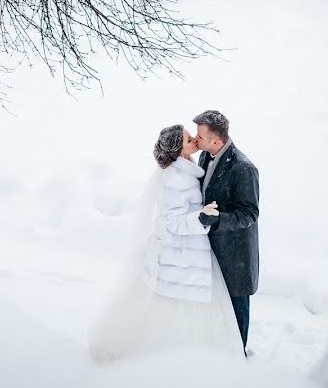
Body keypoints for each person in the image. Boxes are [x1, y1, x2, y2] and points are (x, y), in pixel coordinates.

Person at [88, 125, 243, 363]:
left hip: (188, 254)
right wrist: (201, 218)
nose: (193, 139)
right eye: (187, 139)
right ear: (178, 149)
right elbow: (174, 222)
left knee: (183, 307)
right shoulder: (175, 178)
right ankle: (165, 357)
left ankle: (183, 357)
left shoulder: (186, 170)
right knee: (176, 307)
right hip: (179, 258)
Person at [193, 110, 259, 353]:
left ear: (216, 141)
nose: (195, 140)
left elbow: (250, 214)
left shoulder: (244, 168)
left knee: (236, 306)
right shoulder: (204, 156)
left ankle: (239, 356)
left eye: (200, 136)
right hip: (211, 250)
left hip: (236, 256)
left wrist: (219, 219)